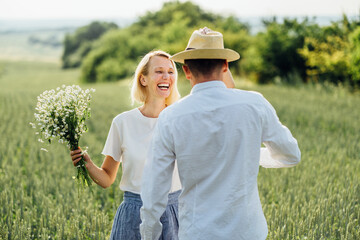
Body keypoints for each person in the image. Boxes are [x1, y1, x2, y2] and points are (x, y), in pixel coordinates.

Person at [140, 27, 301, 240]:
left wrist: (149, 236)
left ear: (186, 71)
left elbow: (154, 192)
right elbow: (291, 155)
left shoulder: (171, 117)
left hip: (198, 233)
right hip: (249, 233)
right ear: (226, 66)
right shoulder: (255, 104)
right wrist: (247, 152)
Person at [70, 50, 183, 240]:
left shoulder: (181, 120)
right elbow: (106, 180)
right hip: (134, 215)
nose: (166, 77)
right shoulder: (123, 122)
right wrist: (87, 163)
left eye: (171, 72)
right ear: (143, 79)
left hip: (174, 214)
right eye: (159, 71)